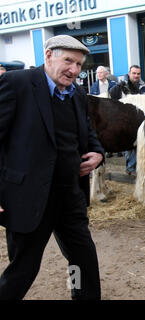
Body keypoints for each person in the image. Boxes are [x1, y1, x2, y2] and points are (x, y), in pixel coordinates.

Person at [0, 35, 104, 299]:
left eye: (79, 64)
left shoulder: (78, 93)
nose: (74, 69)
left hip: (70, 195)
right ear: (48, 55)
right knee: (24, 268)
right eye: (68, 61)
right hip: (29, 197)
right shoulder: (17, 84)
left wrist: (98, 154)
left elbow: (87, 134)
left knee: (83, 259)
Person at [110, 65, 145, 175]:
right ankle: (131, 168)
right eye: (134, 73)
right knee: (130, 145)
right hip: (127, 120)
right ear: (129, 74)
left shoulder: (144, 86)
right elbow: (112, 99)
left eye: (138, 73)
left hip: (141, 119)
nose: (136, 75)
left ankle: (141, 167)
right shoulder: (121, 86)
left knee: (141, 144)